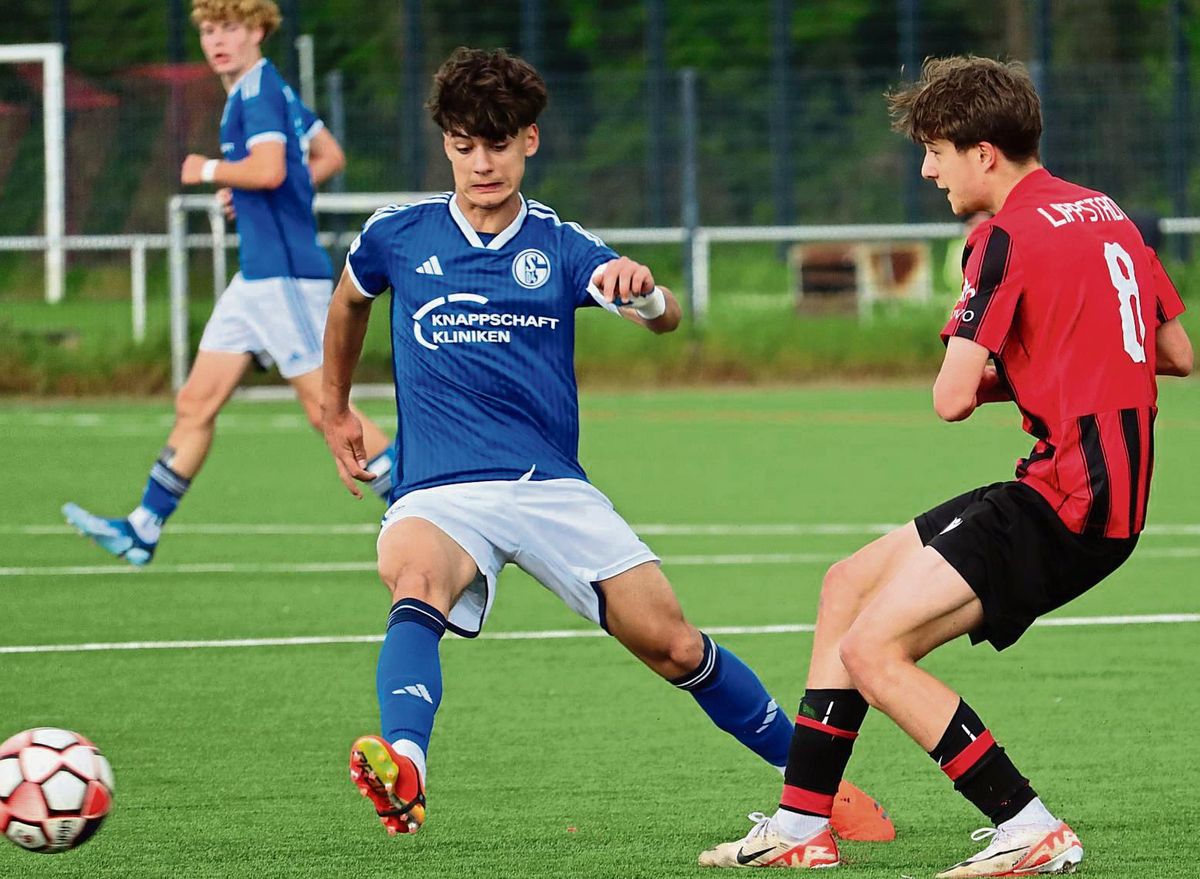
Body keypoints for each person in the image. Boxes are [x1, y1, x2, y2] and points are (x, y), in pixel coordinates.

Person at [321, 47, 890, 839]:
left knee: (674, 644)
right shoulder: (397, 235)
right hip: (442, 490)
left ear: (531, 140)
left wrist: (644, 289)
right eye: (463, 144)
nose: (481, 163)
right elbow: (349, 301)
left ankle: (812, 784)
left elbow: (663, 316)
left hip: (551, 487)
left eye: (499, 143)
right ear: (445, 142)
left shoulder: (558, 244)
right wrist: (336, 403)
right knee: (414, 578)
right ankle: (407, 761)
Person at [699, 56, 1192, 874]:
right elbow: (1175, 352)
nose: (927, 170)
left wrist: (1007, 365)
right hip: (1091, 489)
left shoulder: (1002, 236)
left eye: (935, 150)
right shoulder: (1106, 212)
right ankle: (800, 825)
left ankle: (1029, 824)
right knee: (847, 583)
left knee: (872, 650)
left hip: (1070, 498)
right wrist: (1055, 366)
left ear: (984, 152)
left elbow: (951, 397)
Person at [63, 0, 396, 565]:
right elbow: (325, 155)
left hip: (285, 278)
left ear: (259, 30)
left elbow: (269, 169)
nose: (218, 41)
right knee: (195, 402)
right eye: (210, 30)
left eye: (232, 29)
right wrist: (258, 191)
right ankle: (143, 528)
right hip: (256, 280)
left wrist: (210, 170)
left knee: (326, 409)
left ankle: (423, 504)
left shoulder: (259, 93)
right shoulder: (266, 89)